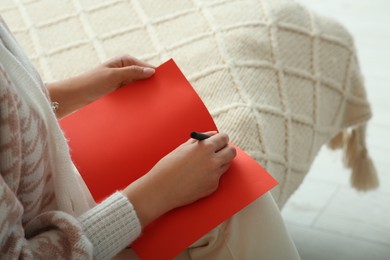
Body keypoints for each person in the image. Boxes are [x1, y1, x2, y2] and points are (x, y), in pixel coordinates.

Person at [0, 16, 300, 259]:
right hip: (66, 239)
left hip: (62, 206)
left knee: (231, 186)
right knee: (234, 202)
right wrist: (158, 193)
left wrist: (74, 92)